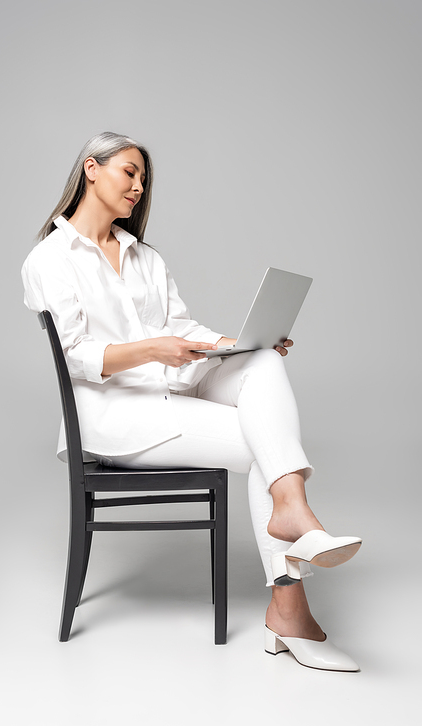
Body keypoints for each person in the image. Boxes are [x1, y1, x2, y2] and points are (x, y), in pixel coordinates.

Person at [22, 132, 362, 671]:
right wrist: (153, 347)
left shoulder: (144, 257)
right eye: (129, 172)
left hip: (173, 390)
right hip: (115, 417)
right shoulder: (50, 258)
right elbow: (77, 355)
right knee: (263, 448)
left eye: (142, 179)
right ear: (91, 168)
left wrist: (238, 345)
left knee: (264, 364)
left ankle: (292, 515)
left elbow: (181, 328)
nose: (138, 186)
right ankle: (290, 604)